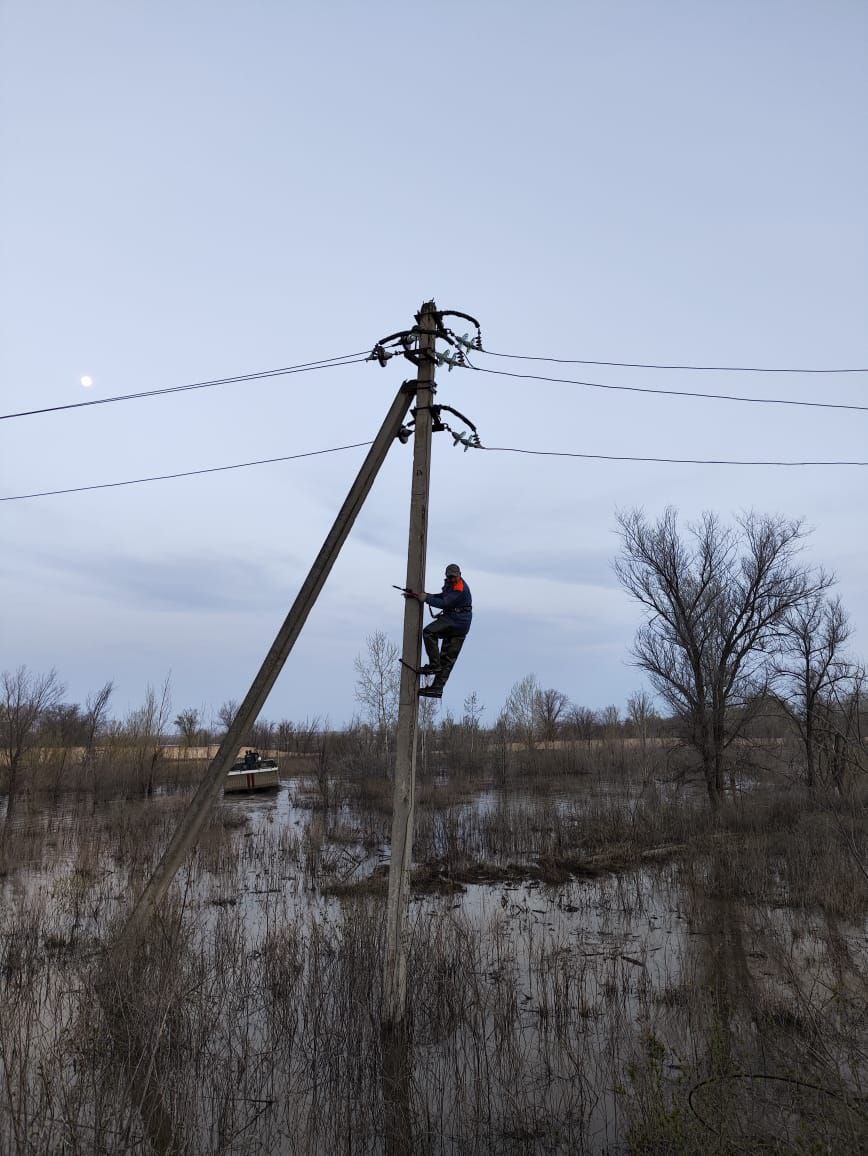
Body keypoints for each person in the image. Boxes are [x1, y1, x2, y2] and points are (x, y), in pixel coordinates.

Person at [405, 563, 472, 698]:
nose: (452, 579)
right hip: (455, 620)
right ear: (446, 576)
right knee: (446, 658)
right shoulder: (451, 585)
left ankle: (435, 667)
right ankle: (436, 687)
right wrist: (421, 595)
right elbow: (442, 597)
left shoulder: (459, 588)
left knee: (429, 633)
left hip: (458, 622)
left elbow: (444, 603)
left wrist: (427, 598)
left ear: (460, 575)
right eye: (450, 577)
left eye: (454, 576)